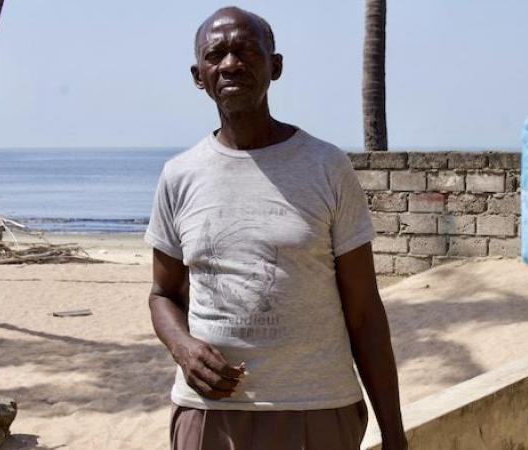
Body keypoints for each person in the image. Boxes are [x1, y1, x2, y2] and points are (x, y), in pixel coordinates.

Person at [145, 6, 407, 450]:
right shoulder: (179, 175)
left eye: (246, 50)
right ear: (198, 75)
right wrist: (182, 347)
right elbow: (163, 295)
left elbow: (364, 311)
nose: (231, 63)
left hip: (318, 411)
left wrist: (394, 435)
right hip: (210, 417)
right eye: (217, 54)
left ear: (276, 66)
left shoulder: (325, 166)